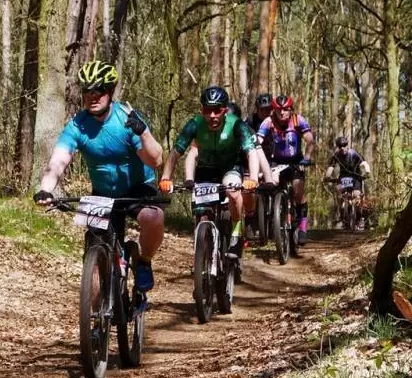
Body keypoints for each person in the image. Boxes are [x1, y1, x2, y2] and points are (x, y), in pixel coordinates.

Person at [33, 60, 165, 309]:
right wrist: (46, 189)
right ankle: (95, 321)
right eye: (87, 91)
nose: (92, 96)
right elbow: (58, 161)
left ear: (110, 91)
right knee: (94, 251)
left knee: (153, 218)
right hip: (103, 194)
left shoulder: (126, 119)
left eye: (99, 90)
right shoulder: (78, 125)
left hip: (138, 188)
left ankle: (144, 261)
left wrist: (143, 132)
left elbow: (156, 160)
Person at [159, 86, 260, 258]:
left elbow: (251, 152)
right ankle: (203, 252)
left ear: (224, 110)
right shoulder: (195, 124)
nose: (212, 115)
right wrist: (165, 177)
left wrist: (253, 178)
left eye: (217, 110)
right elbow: (176, 152)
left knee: (233, 191)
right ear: (202, 110)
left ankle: (236, 233)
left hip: (230, 168)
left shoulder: (236, 124)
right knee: (201, 212)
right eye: (207, 110)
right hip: (205, 170)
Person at [256, 94, 315, 245]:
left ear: (291, 109)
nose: (282, 113)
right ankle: (274, 216)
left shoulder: (297, 120)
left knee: (297, 191)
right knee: (273, 183)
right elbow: (258, 141)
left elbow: (310, 140)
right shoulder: (268, 121)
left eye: (285, 109)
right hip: (276, 161)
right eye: (278, 110)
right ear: (274, 110)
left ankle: (302, 227)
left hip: (296, 160)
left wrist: (307, 157)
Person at [325, 136, 371, 229]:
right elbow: (331, 167)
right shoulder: (336, 155)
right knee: (339, 192)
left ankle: (360, 218)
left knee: (357, 196)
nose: (342, 148)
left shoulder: (353, 153)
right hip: (344, 177)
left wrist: (367, 171)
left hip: (355, 176)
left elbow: (364, 163)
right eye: (340, 146)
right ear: (338, 147)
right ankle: (342, 214)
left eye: (344, 145)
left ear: (347, 145)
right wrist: (327, 177)